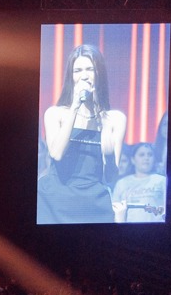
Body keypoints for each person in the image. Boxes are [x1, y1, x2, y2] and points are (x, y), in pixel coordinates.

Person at [37, 44, 126, 224]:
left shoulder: (115, 119)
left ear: (99, 73)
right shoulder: (55, 113)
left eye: (89, 69)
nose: (83, 75)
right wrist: (75, 106)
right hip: (55, 198)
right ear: (71, 77)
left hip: (93, 200)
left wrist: (108, 153)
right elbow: (56, 153)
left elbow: (110, 176)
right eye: (77, 70)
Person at [112, 142, 166, 222]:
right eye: (141, 155)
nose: (146, 158)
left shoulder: (162, 181)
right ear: (133, 160)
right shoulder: (121, 183)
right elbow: (116, 211)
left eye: (150, 155)